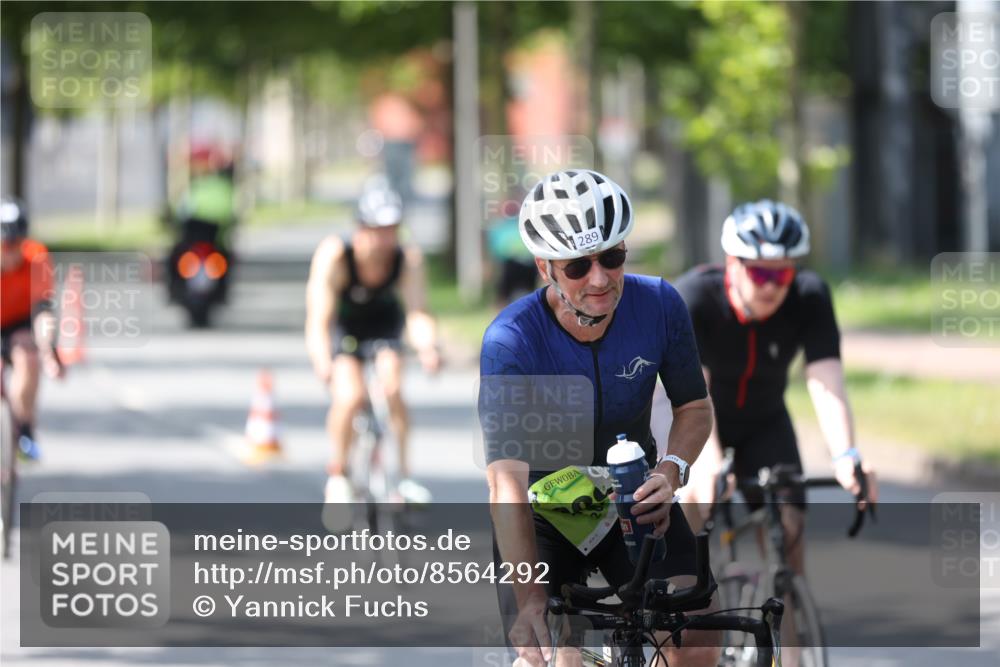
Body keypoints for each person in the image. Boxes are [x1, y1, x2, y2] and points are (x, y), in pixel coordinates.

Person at [480, 169, 720, 667]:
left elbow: (693, 408)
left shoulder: (659, 304)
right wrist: (530, 603)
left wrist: (671, 469)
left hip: (633, 499)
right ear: (545, 267)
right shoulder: (511, 340)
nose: (599, 278)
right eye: (577, 266)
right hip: (546, 512)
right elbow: (506, 485)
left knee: (697, 632)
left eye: (612, 257)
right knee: (549, 656)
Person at [673, 200, 878, 626]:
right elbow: (692, 395)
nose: (772, 285)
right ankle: (683, 613)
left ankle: (790, 649)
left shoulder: (808, 295)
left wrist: (846, 455)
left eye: (783, 273)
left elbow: (825, 381)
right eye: (760, 272)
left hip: (765, 421)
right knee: (695, 502)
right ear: (733, 263)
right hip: (698, 418)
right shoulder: (695, 298)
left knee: (789, 533)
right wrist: (709, 462)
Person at [305, 178, 440, 507]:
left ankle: (404, 476)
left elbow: (417, 311)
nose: (384, 239)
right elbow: (318, 318)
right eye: (377, 229)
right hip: (347, 328)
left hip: (384, 325)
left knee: (393, 388)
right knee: (349, 397)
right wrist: (323, 361)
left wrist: (428, 348)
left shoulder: (406, 259)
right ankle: (338, 474)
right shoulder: (336, 255)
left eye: (391, 229)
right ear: (360, 228)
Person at [0, 197, 63, 460]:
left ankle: (23, 428)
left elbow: (42, 311)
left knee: (28, 357)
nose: (10, 252)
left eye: (16, 244)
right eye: (4, 245)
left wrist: (48, 350)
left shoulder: (36, 258)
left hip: (20, 321)